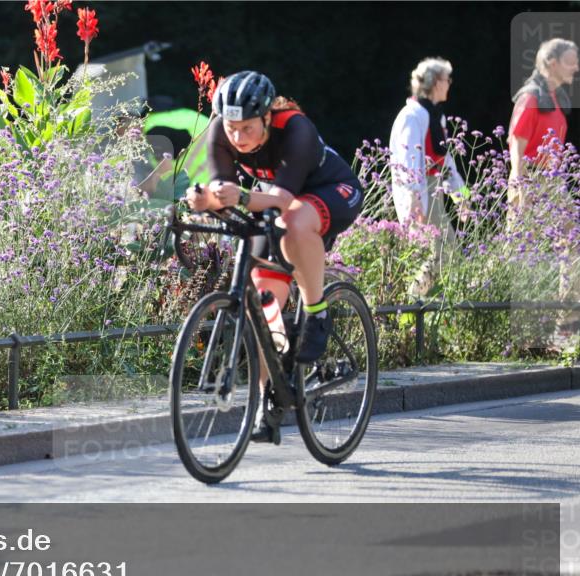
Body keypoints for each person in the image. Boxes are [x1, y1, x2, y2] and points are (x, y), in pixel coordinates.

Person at [185, 70, 363, 367]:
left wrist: (239, 196)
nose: (238, 138)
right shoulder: (219, 131)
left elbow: (282, 201)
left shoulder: (296, 128)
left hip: (331, 190)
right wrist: (203, 199)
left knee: (292, 220)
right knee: (264, 314)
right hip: (273, 198)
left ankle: (316, 313)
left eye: (247, 128)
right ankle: (270, 399)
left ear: (267, 117)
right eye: (232, 128)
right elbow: (221, 190)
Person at [388, 57, 466, 297]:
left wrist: (461, 194)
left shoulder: (435, 116)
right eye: (446, 79)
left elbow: (446, 158)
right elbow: (409, 157)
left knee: (444, 253)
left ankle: (419, 306)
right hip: (422, 192)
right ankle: (411, 305)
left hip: (434, 191)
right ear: (434, 83)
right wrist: (414, 198)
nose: (449, 84)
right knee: (443, 252)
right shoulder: (413, 115)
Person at [508, 38, 578, 207]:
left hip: (553, 182)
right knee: (523, 234)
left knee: (573, 233)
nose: (576, 67)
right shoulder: (530, 99)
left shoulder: (555, 98)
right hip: (530, 180)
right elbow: (516, 150)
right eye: (570, 62)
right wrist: (522, 190)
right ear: (553, 64)